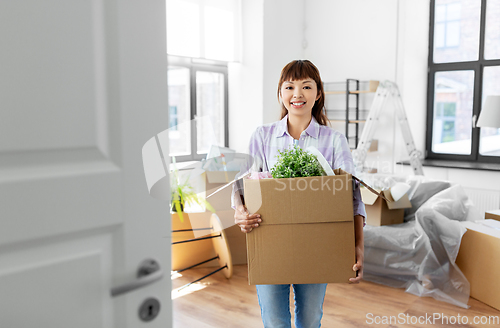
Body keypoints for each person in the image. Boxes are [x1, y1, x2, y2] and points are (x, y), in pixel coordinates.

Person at [232, 59, 366, 328]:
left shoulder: (333, 140)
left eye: (306, 86)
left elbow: (351, 196)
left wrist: (358, 246)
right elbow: (241, 186)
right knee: (275, 321)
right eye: (290, 86)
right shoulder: (261, 136)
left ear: (318, 94)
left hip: (317, 244)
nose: (297, 94)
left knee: (309, 320)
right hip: (269, 241)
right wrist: (240, 212)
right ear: (281, 93)